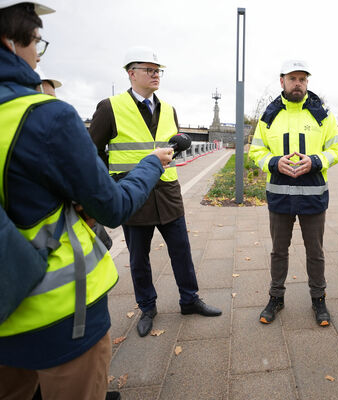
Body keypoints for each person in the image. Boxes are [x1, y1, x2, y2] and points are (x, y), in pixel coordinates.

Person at [0, 2, 173, 399]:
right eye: (38, 43)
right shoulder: (48, 116)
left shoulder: (168, 108)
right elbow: (110, 206)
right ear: (11, 41)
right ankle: (147, 305)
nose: (36, 56)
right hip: (59, 311)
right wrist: (149, 165)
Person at [89, 46, 222, 337]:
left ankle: (190, 300)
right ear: (131, 73)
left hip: (167, 192)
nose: (155, 75)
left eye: (158, 70)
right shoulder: (110, 107)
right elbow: (92, 151)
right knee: (139, 257)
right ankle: (147, 307)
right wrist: (108, 187)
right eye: (149, 69)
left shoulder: (169, 109)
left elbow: (170, 148)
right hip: (133, 196)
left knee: (182, 250)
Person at [249, 60, 338, 326]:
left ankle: (319, 300)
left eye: (303, 79)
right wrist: (272, 162)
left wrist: (315, 161)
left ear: (307, 83)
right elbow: (256, 150)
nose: (298, 83)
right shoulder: (269, 114)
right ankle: (276, 298)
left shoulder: (322, 114)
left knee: (315, 252)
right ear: (282, 81)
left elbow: (337, 150)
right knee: (279, 251)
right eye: (293, 78)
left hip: (313, 195)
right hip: (279, 197)